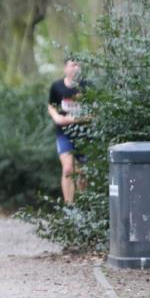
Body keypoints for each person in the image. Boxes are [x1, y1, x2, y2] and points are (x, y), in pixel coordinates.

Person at [47, 58, 88, 205]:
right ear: (65, 68)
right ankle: (69, 207)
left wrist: (75, 119)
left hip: (85, 134)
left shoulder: (87, 87)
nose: (76, 68)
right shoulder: (57, 87)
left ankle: (84, 206)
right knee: (68, 169)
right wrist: (57, 117)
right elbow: (51, 106)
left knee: (83, 172)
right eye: (73, 65)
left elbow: (96, 112)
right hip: (64, 133)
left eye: (78, 65)